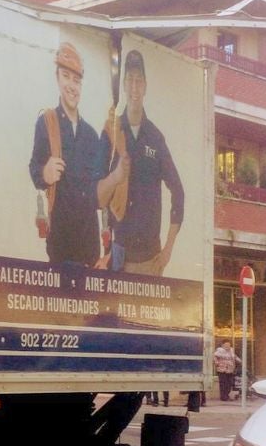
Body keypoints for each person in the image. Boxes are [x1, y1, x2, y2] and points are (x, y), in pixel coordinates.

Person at [29, 43, 129, 265]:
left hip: (89, 251)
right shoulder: (47, 122)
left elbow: (102, 196)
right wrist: (44, 174)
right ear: (57, 78)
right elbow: (34, 167)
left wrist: (108, 251)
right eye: (66, 77)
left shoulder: (91, 136)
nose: (72, 86)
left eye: (77, 80)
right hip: (59, 247)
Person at [100, 50, 184, 275]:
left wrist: (168, 249)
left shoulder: (155, 138)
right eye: (130, 80)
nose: (134, 87)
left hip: (150, 259)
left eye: (139, 81)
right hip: (117, 256)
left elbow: (178, 191)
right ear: (124, 86)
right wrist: (115, 177)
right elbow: (96, 194)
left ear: (145, 86)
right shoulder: (111, 132)